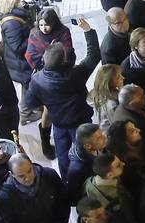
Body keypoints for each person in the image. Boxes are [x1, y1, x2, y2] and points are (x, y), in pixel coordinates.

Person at [21, 17, 100, 179]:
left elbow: (29, 103)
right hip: (80, 122)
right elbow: (93, 55)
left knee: (63, 156)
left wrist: (48, 101)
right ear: (64, 60)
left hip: (59, 123)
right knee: (85, 154)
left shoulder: (37, 79)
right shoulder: (75, 74)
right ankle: (88, 179)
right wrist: (88, 30)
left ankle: (67, 181)